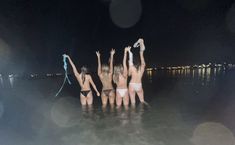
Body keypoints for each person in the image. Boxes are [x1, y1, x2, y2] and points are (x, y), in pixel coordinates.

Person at [128, 38, 148, 106]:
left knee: (133, 103)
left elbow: (129, 74)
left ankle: (134, 116)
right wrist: (141, 53)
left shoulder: (131, 67)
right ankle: (148, 108)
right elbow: (142, 58)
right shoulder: (142, 66)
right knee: (142, 101)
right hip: (139, 85)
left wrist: (129, 63)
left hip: (132, 85)